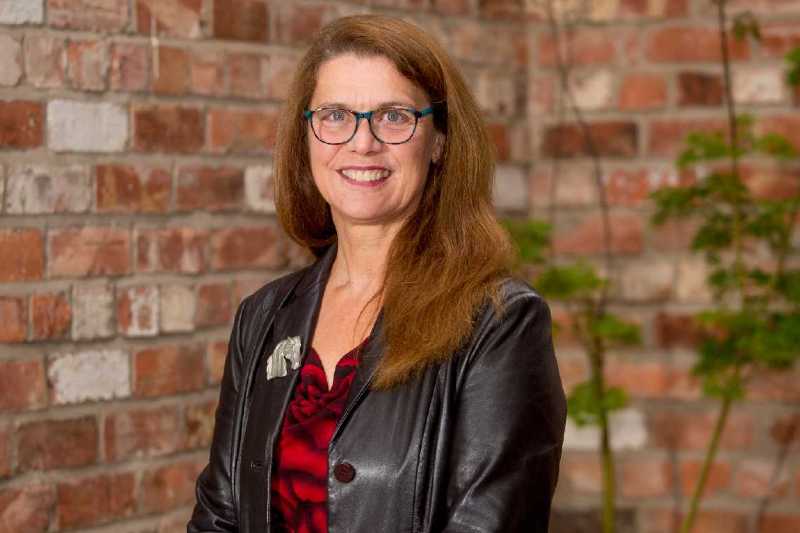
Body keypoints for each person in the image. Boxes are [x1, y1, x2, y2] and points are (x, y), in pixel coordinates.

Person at [188, 14, 566, 533]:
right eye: (336, 115)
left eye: (392, 116)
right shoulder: (263, 318)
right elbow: (220, 515)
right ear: (307, 139)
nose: (361, 143)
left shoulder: (500, 323)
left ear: (438, 142)